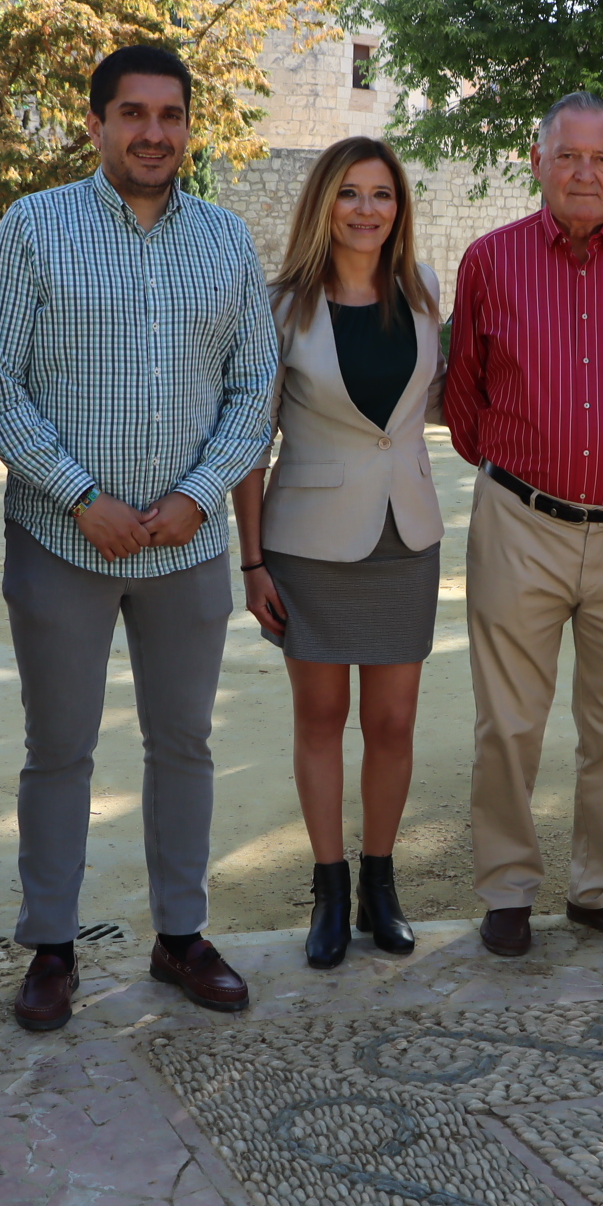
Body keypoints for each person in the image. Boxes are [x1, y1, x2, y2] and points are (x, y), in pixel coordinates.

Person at [0, 43, 277, 1024]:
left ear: (190, 126)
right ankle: (52, 946)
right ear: (96, 122)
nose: (154, 132)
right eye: (133, 114)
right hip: (64, 542)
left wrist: (197, 496)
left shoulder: (228, 241)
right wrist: (79, 497)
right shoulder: (32, 229)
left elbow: (252, 390)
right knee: (58, 747)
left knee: (183, 741)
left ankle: (180, 937)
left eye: (171, 115)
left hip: (187, 547)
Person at [446, 91, 603, 959]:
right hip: (521, 519)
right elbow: (463, 394)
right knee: (507, 721)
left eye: (602, 158)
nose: (585, 173)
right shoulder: (489, 262)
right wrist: (521, 475)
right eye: (567, 156)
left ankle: (597, 887)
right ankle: (508, 888)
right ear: (538, 162)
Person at [231, 138, 444, 968]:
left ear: (400, 208)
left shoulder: (421, 294)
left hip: (406, 539)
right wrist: (250, 564)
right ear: (324, 203)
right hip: (308, 546)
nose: (367, 210)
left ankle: (379, 888)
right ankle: (326, 888)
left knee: (392, 723)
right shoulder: (280, 305)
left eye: (382, 194)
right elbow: (250, 445)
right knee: (320, 717)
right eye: (350, 194)